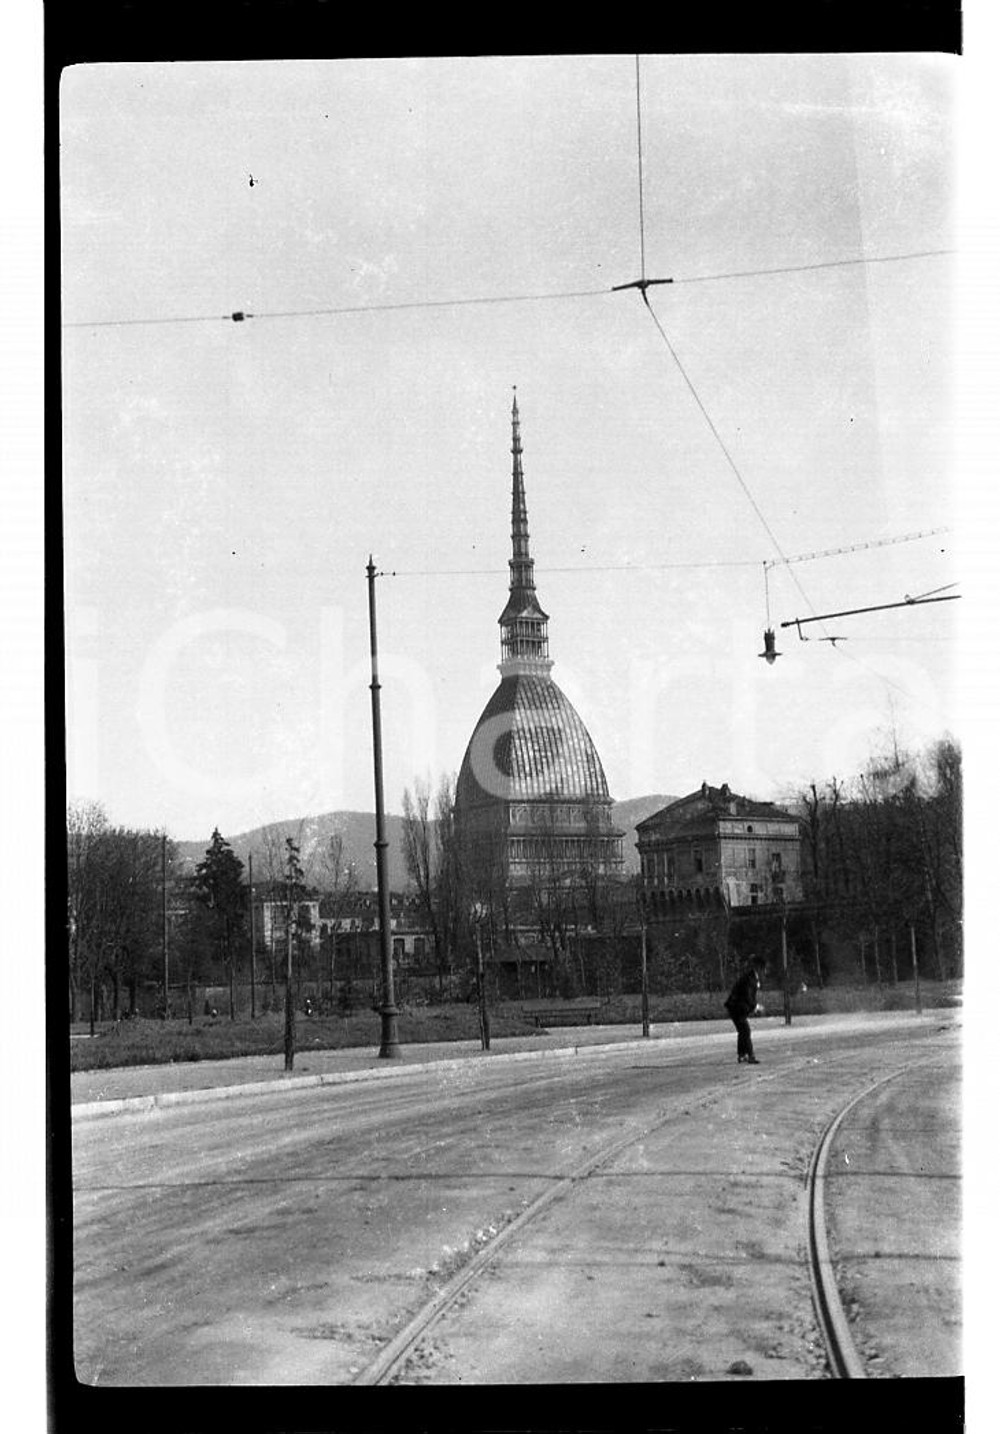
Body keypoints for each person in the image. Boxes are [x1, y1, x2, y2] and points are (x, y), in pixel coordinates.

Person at [725, 957, 766, 1064]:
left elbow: (750, 996)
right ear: (759, 968)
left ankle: (742, 1055)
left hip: (738, 1007)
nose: (765, 972)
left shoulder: (753, 978)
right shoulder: (749, 979)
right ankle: (750, 1056)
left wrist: (753, 1007)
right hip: (736, 1008)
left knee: (743, 1031)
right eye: (764, 969)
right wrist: (756, 1007)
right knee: (746, 1030)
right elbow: (747, 996)